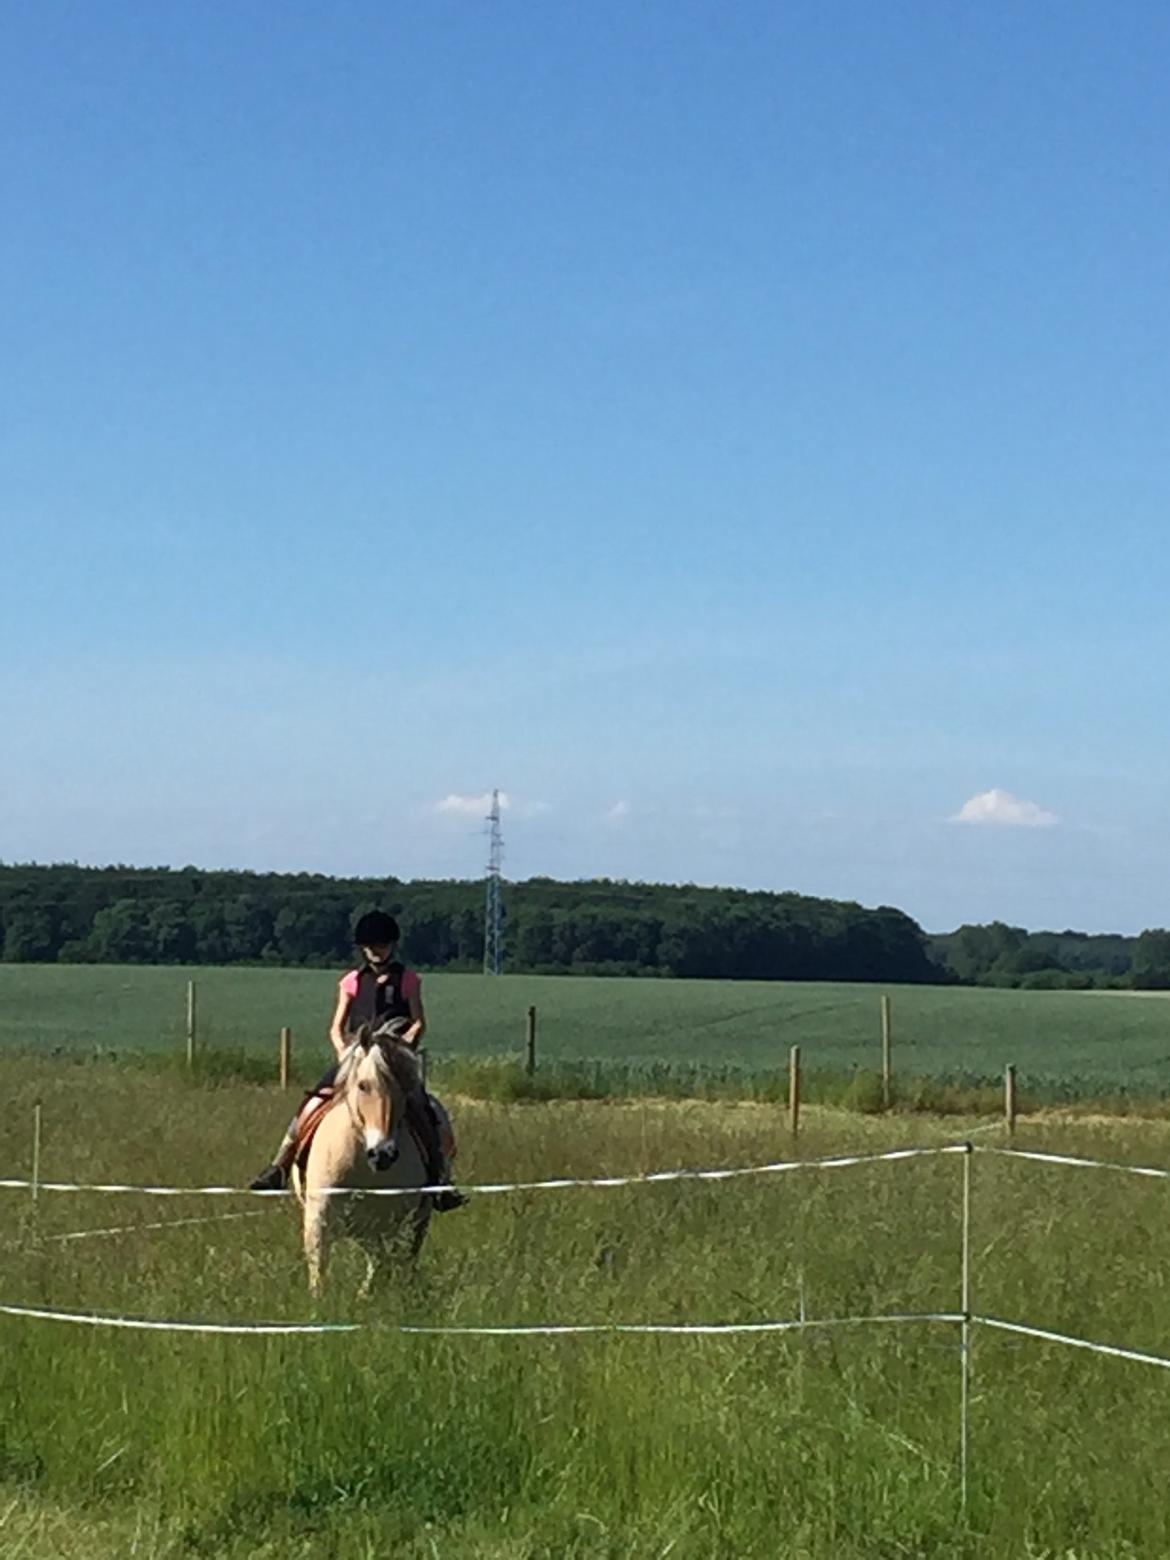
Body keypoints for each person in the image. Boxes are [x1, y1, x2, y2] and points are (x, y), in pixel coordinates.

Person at [249, 910, 464, 1210]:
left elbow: (418, 1022)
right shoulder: (350, 981)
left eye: (383, 945)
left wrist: (404, 1045)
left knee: (428, 1110)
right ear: (363, 948)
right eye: (372, 946)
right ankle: (280, 1164)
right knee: (312, 1103)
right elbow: (337, 1027)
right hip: (355, 1059)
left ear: (392, 946)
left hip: (392, 1061)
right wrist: (343, 1052)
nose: (378, 951)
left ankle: (440, 1178)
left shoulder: (409, 980)